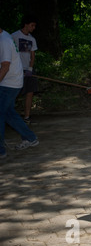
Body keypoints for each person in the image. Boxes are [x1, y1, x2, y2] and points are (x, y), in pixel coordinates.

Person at [0, 26, 39, 160]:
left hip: (9, 82)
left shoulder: (4, 40)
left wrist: (29, 69)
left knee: (1, 112)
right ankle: (30, 137)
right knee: (8, 113)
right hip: (12, 79)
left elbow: (5, 65)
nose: (33, 27)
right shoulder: (9, 35)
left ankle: (0, 150)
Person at [12, 15, 38, 124]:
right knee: (14, 93)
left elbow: (32, 56)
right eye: (32, 25)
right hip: (16, 70)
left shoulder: (32, 39)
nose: (33, 28)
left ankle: (27, 117)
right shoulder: (13, 36)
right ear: (26, 24)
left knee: (30, 92)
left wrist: (30, 69)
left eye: (34, 26)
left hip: (28, 70)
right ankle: (10, 117)